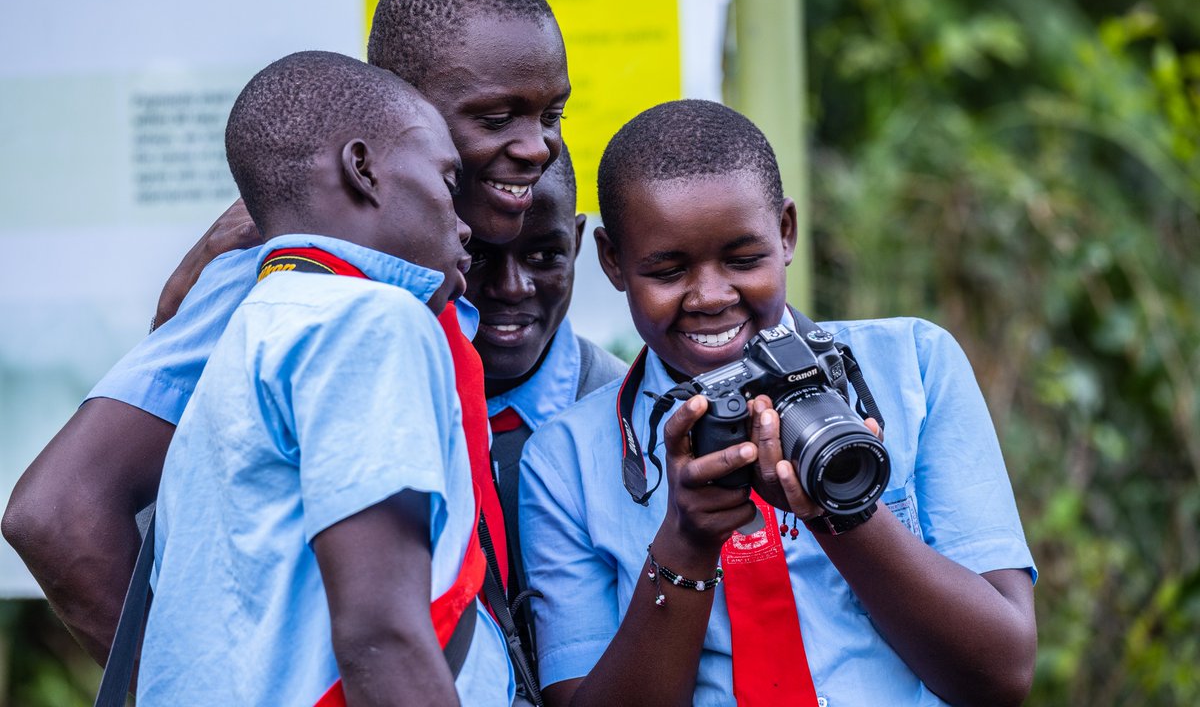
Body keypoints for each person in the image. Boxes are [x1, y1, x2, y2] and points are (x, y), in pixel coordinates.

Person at [2, 0, 570, 667]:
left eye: (552, 112)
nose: (539, 146)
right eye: (497, 116)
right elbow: (57, 512)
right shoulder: (285, 271)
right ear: (399, 104)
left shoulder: (443, 259)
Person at [518, 100, 1038, 706]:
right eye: (668, 270)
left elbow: (1001, 675)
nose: (712, 296)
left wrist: (840, 503)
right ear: (613, 261)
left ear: (786, 232)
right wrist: (685, 543)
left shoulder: (913, 367)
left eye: (744, 260)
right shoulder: (566, 461)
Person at [138, 51, 511, 705]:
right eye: (449, 183)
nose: (464, 224)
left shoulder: (251, 331)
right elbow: (383, 636)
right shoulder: (369, 320)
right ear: (362, 168)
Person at [465, 143, 626, 591]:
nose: (512, 288)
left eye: (543, 257)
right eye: (477, 255)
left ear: (575, 243)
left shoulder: (628, 417)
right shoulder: (397, 407)